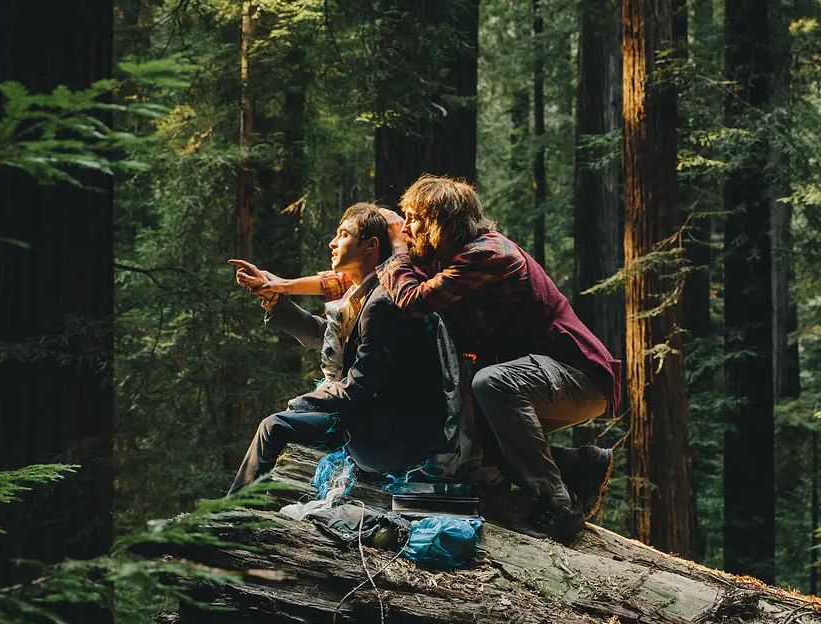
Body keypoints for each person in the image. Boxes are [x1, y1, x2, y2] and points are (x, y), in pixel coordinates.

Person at [372, 175, 622, 540]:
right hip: (540, 380)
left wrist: (395, 249)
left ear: (441, 220)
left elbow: (414, 299)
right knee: (469, 435)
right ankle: (577, 466)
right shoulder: (453, 259)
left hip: (580, 375)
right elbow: (377, 280)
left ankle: (558, 503)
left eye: (414, 219)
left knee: (490, 383)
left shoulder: (487, 253)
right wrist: (284, 286)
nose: (407, 229)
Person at [226, 203, 448, 494]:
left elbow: (360, 386)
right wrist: (276, 299)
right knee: (283, 423)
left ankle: (232, 519)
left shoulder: (382, 301)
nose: (332, 242)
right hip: (369, 412)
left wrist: (308, 400)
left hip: (386, 431)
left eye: (343, 234)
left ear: (371, 246)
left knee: (274, 426)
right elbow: (328, 336)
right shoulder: (362, 293)